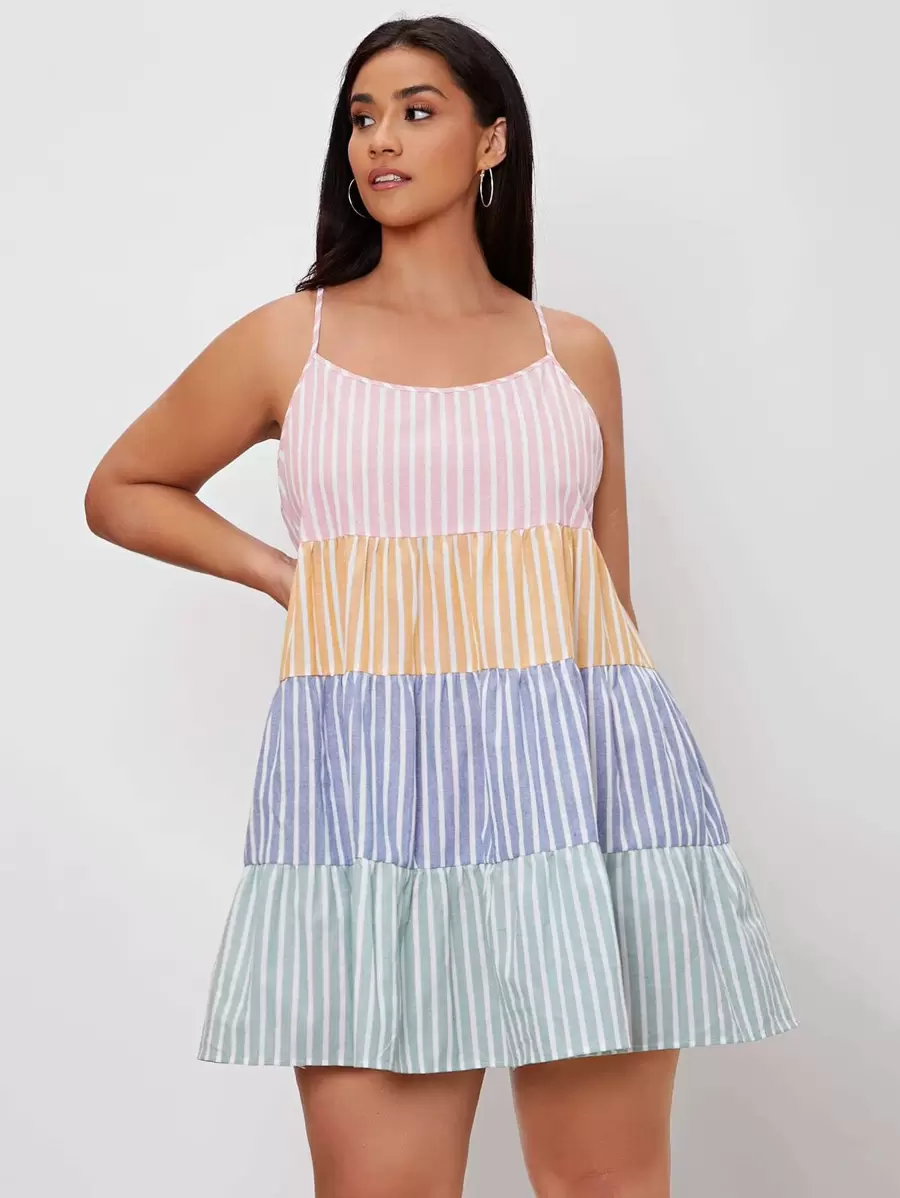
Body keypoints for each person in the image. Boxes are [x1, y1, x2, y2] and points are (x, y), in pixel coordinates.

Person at [84, 14, 797, 1198]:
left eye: (417, 112)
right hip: (371, 809)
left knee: (607, 1185)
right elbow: (123, 488)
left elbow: (610, 607)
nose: (380, 140)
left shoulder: (574, 353)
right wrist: (287, 575)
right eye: (362, 117)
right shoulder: (288, 339)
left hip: (584, 798)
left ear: (491, 142)